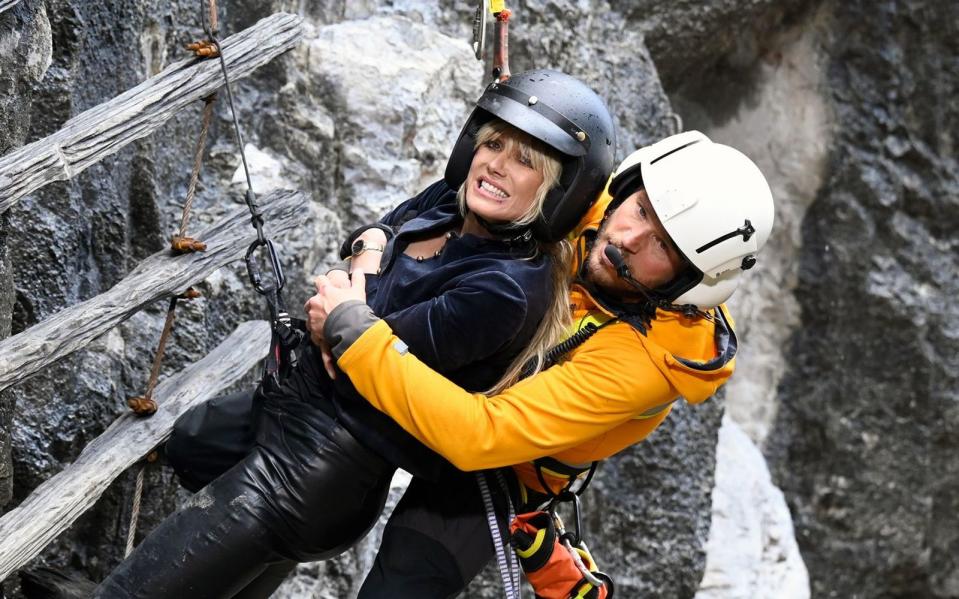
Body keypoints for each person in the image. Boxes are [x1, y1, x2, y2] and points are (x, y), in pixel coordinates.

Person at [93, 70, 617, 599]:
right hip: (284, 418)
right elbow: (372, 238)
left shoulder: (505, 290)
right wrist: (365, 263)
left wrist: (348, 301)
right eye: (493, 144)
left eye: (526, 161)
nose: (496, 166)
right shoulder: (450, 202)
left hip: (308, 478)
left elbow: (358, 349)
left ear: (558, 192)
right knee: (192, 441)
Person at [309, 130, 776, 593]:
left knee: (405, 585)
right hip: (455, 351)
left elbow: (481, 436)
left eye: (663, 247)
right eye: (640, 210)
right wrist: (367, 260)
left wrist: (356, 332)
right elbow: (456, 204)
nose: (628, 237)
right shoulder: (596, 202)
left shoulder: (648, 365)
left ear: (687, 283)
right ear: (629, 186)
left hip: (503, 467)